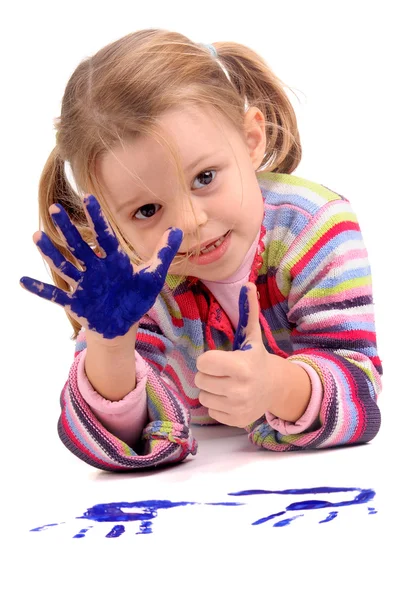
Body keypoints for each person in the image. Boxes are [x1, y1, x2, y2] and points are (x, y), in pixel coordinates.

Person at [20, 29, 383, 471]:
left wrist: (278, 386)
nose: (189, 222)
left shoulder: (316, 229)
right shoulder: (133, 278)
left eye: (205, 177)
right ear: (112, 221)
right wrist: (110, 347)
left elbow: (361, 394)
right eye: (148, 209)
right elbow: (117, 441)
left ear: (252, 140)